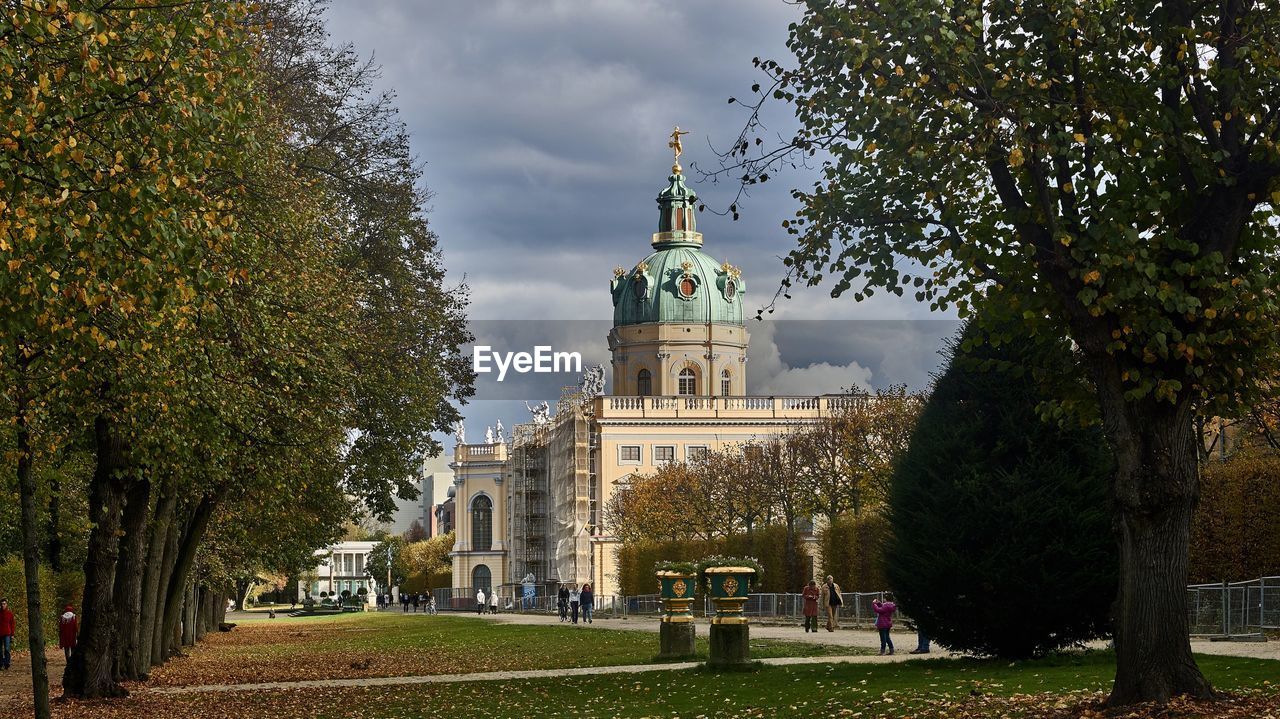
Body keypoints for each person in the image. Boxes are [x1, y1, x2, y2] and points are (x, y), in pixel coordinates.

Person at [0, 598, 14, 670]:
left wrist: (12, 635)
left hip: (7, 634)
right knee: (0, 650)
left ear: (6, 604)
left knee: (7, 649)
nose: (3, 605)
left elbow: (12, 624)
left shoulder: (10, 613)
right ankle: (0, 664)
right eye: (2, 604)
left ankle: (7, 663)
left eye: (4, 604)